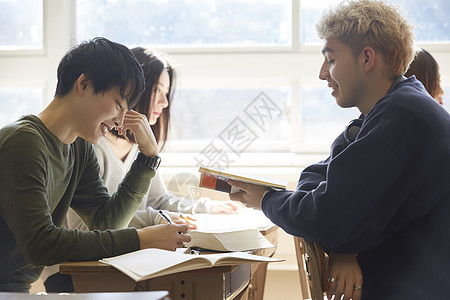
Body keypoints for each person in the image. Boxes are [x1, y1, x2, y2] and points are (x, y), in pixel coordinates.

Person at [227, 0, 450, 299]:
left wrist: (267, 200)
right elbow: (316, 177)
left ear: (367, 58)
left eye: (330, 60)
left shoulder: (402, 117)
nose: (322, 73)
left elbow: (327, 219)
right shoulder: (387, 110)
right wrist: (345, 246)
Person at [0, 37, 191, 293]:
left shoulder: (79, 148)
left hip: (14, 290)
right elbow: (40, 244)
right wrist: (139, 239)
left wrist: (147, 159)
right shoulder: (24, 142)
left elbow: (106, 223)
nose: (121, 121)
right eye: (119, 103)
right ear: (84, 83)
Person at [41, 46, 239, 292]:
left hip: (116, 260)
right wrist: (153, 223)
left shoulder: (136, 147)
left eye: (166, 93)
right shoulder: (86, 142)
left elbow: (157, 200)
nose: (164, 103)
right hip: (78, 269)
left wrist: (205, 208)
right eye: (157, 91)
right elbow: (85, 229)